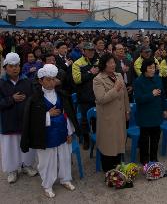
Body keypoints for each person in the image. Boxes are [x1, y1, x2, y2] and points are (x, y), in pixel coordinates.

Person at [21, 64, 80, 198]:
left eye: (53, 79)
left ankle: (65, 179)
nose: (51, 82)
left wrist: (69, 132)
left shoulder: (62, 94)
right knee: (47, 162)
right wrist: (47, 114)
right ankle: (47, 184)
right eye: (48, 79)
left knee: (64, 158)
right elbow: (31, 120)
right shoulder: (35, 99)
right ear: (41, 80)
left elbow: (67, 114)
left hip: (61, 132)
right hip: (45, 135)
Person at [0, 52, 37, 183]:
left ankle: (27, 166)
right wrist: (12, 99)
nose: (15, 68)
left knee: (27, 145)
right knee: (11, 148)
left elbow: (34, 98)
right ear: (5, 68)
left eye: (17, 65)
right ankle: (12, 170)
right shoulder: (1, 83)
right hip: (8, 122)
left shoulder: (27, 81)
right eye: (11, 66)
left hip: (25, 121)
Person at [93, 53, 130, 171]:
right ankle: (109, 172)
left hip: (120, 116)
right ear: (104, 65)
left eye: (114, 62)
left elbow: (125, 96)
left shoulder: (118, 75)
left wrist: (127, 111)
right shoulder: (98, 79)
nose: (113, 65)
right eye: (110, 63)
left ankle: (117, 168)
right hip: (108, 118)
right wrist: (115, 89)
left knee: (119, 141)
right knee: (108, 144)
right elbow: (101, 99)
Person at [134, 58, 167, 165]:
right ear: (144, 69)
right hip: (145, 115)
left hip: (156, 113)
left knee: (155, 138)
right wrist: (151, 94)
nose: (152, 70)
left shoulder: (158, 79)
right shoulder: (139, 81)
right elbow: (138, 99)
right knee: (144, 140)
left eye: (154, 67)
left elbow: (162, 95)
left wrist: (165, 109)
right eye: (150, 68)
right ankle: (144, 159)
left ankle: (153, 157)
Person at [72, 42, 99, 150]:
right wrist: (90, 72)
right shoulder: (77, 63)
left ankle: (96, 138)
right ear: (83, 51)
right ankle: (86, 140)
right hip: (84, 97)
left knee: (97, 119)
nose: (91, 52)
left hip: (97, 96)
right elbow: (77, 80)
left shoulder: (98, 61)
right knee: (85, 121)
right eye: (88, 50)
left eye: (92, 50)